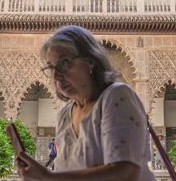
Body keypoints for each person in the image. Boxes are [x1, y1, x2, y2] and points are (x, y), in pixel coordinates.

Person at [16, 25, 155, 181]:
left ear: (90, 60)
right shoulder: (64, 116)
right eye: (51, 67)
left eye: (64, 63)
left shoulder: (116, 96)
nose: (56, 76)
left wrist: (48, 177)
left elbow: (125, 173)